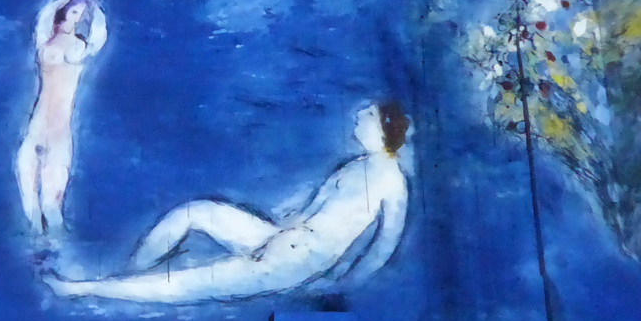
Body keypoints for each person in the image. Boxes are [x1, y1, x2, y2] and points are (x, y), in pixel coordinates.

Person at [42, 101, 412, 303]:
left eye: (366, 116)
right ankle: (129, 271)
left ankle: (80, 288)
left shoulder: (392, 182)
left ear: (383, 128)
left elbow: (384, 245)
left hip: (296, 262)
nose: (357, 118)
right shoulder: (354, 167)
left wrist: (340, 284)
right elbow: (313, 213)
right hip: (281, 239)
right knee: (196, 212)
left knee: (186, 284)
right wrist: (282, 228)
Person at [16, 0, 107, 237]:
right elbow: (44, 20)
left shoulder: (81, 46)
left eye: (81, 15)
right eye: (74, 12)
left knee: (51, 209)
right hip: (35, 131)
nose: (76, 19)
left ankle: (59, 253)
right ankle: (37, 254)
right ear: (63, 11)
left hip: (59, 136)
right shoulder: (45, 41)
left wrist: (94, 8)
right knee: (32, 211)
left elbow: (99, 36)